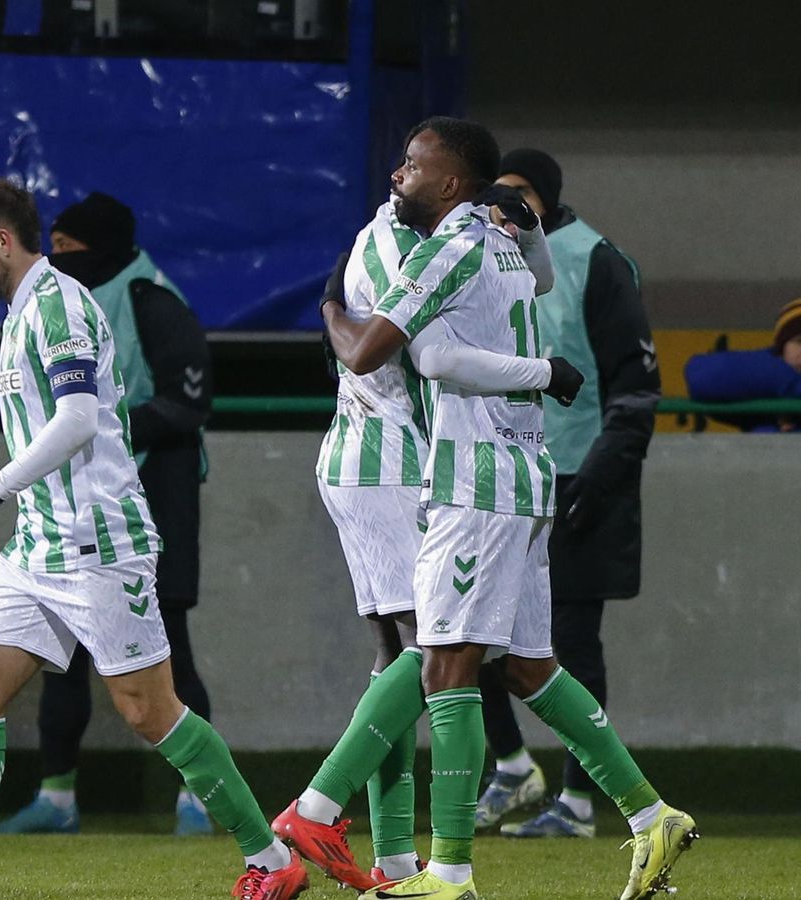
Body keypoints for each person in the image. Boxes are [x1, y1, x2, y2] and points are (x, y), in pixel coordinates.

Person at [272, 118, 695, 900]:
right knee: (529, 667)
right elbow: (537, 281)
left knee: (443, 660)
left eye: (413, 166)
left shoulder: (447, 248)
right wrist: (532, 247)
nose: (399, 176)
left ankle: (440, 869)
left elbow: (387, 353)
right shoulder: (501, 241)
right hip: (526, 470)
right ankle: (650, 815)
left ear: (452, 186)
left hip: (476, 476)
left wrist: (333, 305)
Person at [0, 176, 309, 900]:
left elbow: (79, 417)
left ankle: (273, 860)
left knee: (150, 711)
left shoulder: (57, 304)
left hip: (99, 543)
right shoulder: (23, 310)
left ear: (3, 241)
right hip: (40, 545)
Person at [285, 176, 568, 890]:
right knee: (438, 654)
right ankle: (321, 813)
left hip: (394, 462)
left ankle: (395, 860)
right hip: (390, 464)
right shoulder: (399, 244)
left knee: (402, 658)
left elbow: (529, 278)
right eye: (405, 164)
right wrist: (328, 311)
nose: (397, 174)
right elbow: (383, 351)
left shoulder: (441, 241)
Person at [0, 191, 217, 837]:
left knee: (168, 650)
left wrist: (105, 427)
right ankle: (56, 797)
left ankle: (198, 798)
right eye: (54, 248)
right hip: (72, 505)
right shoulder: (50, 305)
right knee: (62, 657)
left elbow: (186, 404)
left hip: (153, 497)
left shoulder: (151, 299)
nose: (59, 260)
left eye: (69, 249)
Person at [475, 148, 665, 839]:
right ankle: (511, 764)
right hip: (499, 476)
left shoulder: (594, 260)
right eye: (499, 191)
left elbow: (635, 386)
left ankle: (581, 801)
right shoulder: (479, 256)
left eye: (521, 191)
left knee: (573, 645)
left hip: (577, 475)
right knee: (468, 635)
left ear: (548, 198)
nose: (508, 204)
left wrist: (602, 479)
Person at [684, 297, 801, 432]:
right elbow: (702, 377)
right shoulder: (769, 385)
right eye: (799, 342)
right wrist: (791, 383)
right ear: (781, 350)